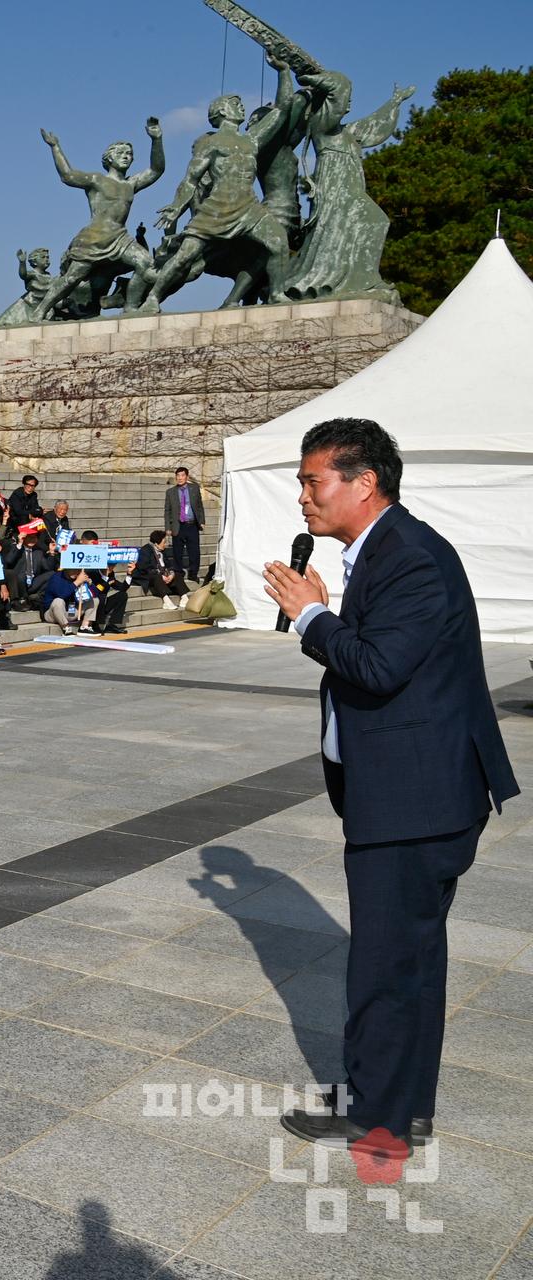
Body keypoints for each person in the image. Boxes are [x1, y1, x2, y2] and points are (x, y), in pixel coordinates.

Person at [264, 417, 518, 1162]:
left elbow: (376, 667)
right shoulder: (385, 552)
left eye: (314, 482)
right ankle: (400, 1106)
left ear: (362, 482)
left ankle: (380, 1120)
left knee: (385, 965)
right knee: (404, 960)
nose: (304, 497)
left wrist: (310, 615)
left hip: (417, 798)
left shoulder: (409, 557)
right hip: (412, 791)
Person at [164, 465, 206, 581]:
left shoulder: (194, 488)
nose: (180, 478)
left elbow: (199, 506)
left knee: (194, 551)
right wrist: (168, 527)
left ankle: (193, 573)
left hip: (192, 525)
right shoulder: (170, 492)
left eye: (182, 475)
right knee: (177, 551)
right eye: (178, 475)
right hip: (178, 526)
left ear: (187, 477)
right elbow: (167, 510)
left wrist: (202, 521)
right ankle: (178, 572)